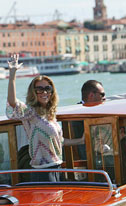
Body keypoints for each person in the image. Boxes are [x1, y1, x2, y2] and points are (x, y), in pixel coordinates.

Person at [6, 54, 84, 182]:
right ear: (33, 92)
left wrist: (80, 141)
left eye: (48, 88)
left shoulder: (51, 115)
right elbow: (13, 102)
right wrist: (12, 75)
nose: (44, 92)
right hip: (42, 172)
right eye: (39, 89)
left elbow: (59, 141)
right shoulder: (30, 113)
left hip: (57, 168)